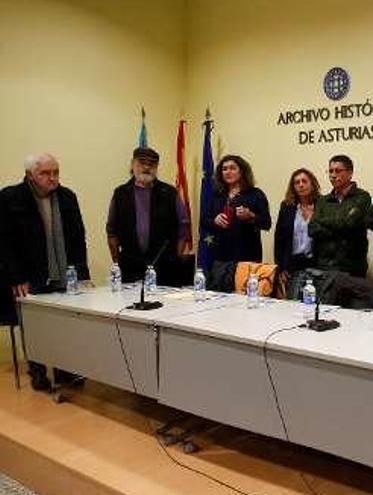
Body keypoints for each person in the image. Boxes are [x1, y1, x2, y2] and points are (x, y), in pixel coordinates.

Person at [0, 153, 90, 390]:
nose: (53, 178)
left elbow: (78, 238)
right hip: (29, 274)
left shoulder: (67, 197)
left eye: (56, 172)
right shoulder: (10, 197)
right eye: (46, 173)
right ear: (30, 175)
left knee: (65, 324)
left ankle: (64, 370)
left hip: (64, 273)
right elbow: (4, 242)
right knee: (34, 325)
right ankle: (37, 371)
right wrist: (15, 276)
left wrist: (82, 274)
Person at [106, 147, 191, 285]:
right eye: (142, 162)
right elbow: (111, 230)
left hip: (165, 267)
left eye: (152, 164)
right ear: (132, 164)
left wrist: (176, 257)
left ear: (157, 167)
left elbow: (183, 227)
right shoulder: (121, 193)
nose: (146, 167)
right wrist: (116, 262)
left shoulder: (169, 193)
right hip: (130, 266)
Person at [308, 154, 372, 277]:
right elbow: (312, 229)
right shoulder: (323, 200)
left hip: (352, 267)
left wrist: (322, 221)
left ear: (350, 173)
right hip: (325, 265)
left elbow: (349, 223)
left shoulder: (362, 197)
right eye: (330, 171)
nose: (333, 175)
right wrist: (340, 226)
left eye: (338, 171)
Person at [202, 154, 271, 264]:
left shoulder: (255, 194)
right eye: (224, 169)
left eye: (232, 168)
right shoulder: (217, 196)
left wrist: (251, 216)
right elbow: (204, 221)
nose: (228, 172)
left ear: (242, 171)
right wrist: (214, 221)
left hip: (248, 256)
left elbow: (267, 223)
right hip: (220, 257)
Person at [274, 168, 320, 275]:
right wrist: (281, 268)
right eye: (297, 182)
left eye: (304, 181)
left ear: (312, 184)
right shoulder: (287, 206)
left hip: (316, 262)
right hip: (292, 263)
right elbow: (279, 239)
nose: (301, 185)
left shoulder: (322, 204)